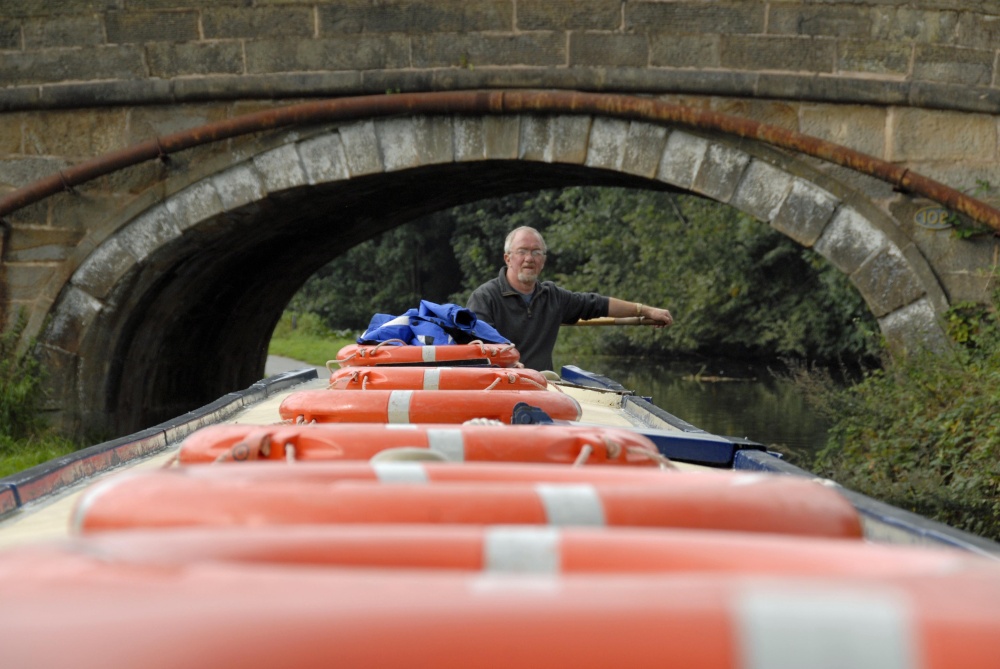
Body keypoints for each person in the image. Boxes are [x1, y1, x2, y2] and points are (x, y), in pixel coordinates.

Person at [467, 226, 673, 371]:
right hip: (499, 386)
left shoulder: (553, 297)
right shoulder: (485, 297)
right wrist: (509, 365)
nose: (529, 258)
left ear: (543, 261)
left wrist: (645, 310)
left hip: (542, 387)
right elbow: (480, 349)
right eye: (522, 251)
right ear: (508, 258)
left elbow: (598, 304)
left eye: (536, 252)